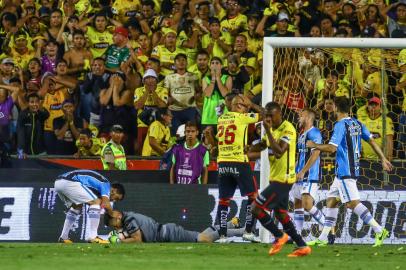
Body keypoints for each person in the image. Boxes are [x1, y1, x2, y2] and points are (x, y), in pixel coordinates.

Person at [306, 97, 393, 247]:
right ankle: (323, 238)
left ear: (335, 107)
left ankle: (379, 230)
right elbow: (372, 141)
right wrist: (383, 158)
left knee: (353, 204)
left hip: (346, 171)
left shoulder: (340, 125)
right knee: (331, 202)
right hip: (346, 171)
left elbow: (332, 148)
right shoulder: (358, 123)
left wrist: (314, 145)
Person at [249, 102, 311, 257]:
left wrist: (268, 131)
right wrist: (247, 148)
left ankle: (279, 236)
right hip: (276, 178)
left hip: (284, 179)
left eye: (271, 115)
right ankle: (302, 246)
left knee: (256, 208)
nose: (269, 118)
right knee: (281, 214)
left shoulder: (287, 128)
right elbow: (263, 145)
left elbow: (280, 151)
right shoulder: (272, 130)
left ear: (280, 113)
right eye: (267, 115)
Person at [215, 94, 262, 243]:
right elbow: (266, 114)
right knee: (254, 197)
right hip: (239, 162)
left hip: (223, 163)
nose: (245, 108)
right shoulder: (242, 117)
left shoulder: (221, 119)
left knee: (223, 200)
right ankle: (248, 231)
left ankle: (222, 236)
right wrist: (252, 105)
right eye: (243, 105)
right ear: (238, 106)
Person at [54, 169, 125, 243]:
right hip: (69, 182)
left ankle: (63, 237)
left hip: (58, 182)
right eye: (116, 198)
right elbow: (106, 204)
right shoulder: (106, 184)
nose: (114, 200)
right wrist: (112, 214)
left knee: (77, 206)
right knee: (95, 202)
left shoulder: (99, 185)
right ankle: (93, 237)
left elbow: (102, 204)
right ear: (113, 190)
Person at [105, 210, 245, 243]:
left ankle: (241, 230)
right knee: (202, 235)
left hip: (168, 233)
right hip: (167, 232)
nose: (116, 228)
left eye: (114, 225)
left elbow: (138, 239)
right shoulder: (129, 216)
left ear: (117, 215)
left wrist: (120, 241)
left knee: (204, 239)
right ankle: (231, 223)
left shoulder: (128, 220)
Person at [291, 109, 325, 236]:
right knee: (298, 203)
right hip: (299, 174)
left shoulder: (315, 133)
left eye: (302, 115)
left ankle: (327, 226)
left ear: (309, 118)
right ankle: (297, 234)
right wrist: (294, 171)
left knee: (307, 204)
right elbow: (300, 156)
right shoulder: (301, 135)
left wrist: (303, 171)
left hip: (310, 174)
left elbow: (316, 153)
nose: (299, 117)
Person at [164, 53, 200, 135]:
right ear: (174, 63)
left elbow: (199, 91)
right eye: (178, 60)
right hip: (174, 110)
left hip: (190, 109)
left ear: (187, 63)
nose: (181, 62)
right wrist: (168, 104)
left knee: (191, 134)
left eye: (183, 60)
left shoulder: (193, 76)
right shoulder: (169, 77)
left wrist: (196, 96)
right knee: (177, 135)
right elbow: (165, 94)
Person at [356, 97, 394, 161]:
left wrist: (389, 155)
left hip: (381, 159)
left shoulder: (386, 120)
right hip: (363, 159)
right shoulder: (361, 121)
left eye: (376, 105)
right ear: (367, 106)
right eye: (371, 105)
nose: (373, 107)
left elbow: (389, 138)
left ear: (380, 107)